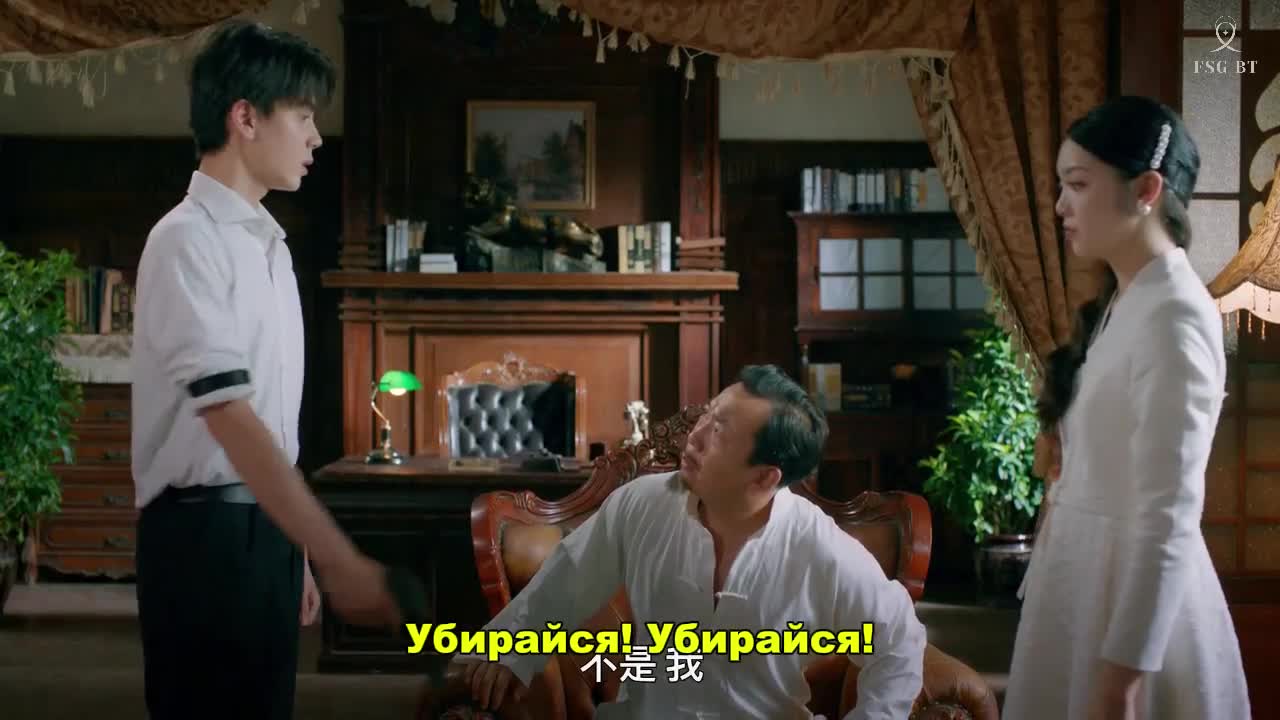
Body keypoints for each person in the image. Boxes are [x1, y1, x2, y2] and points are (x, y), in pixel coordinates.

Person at [130, 20, 400, 720]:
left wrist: (297, 550)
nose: (315, 138)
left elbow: (273, 427)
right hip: (203, 538)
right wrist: (335, 553)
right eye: (303, 116)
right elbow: (228, 415)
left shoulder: (271, 249)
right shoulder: (186, 240)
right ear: (245, 118)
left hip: (268, 533)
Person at [451, 364, 928, 719]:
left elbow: (898, 640)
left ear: (765, 477)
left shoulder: (817, 546)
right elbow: (568, 579)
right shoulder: (641, 504)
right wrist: (508, 648)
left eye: (719, 432)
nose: (694, 438)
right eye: (707, 416)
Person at [1002, 95, 1251, 720]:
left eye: (1078, 184)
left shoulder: (1176, 313)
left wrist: (1121, 678)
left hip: (1129, 602)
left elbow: (1169, 510)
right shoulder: (1127, 301)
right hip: (1081, 575)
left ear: (1145, 189)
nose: (1060, 206)